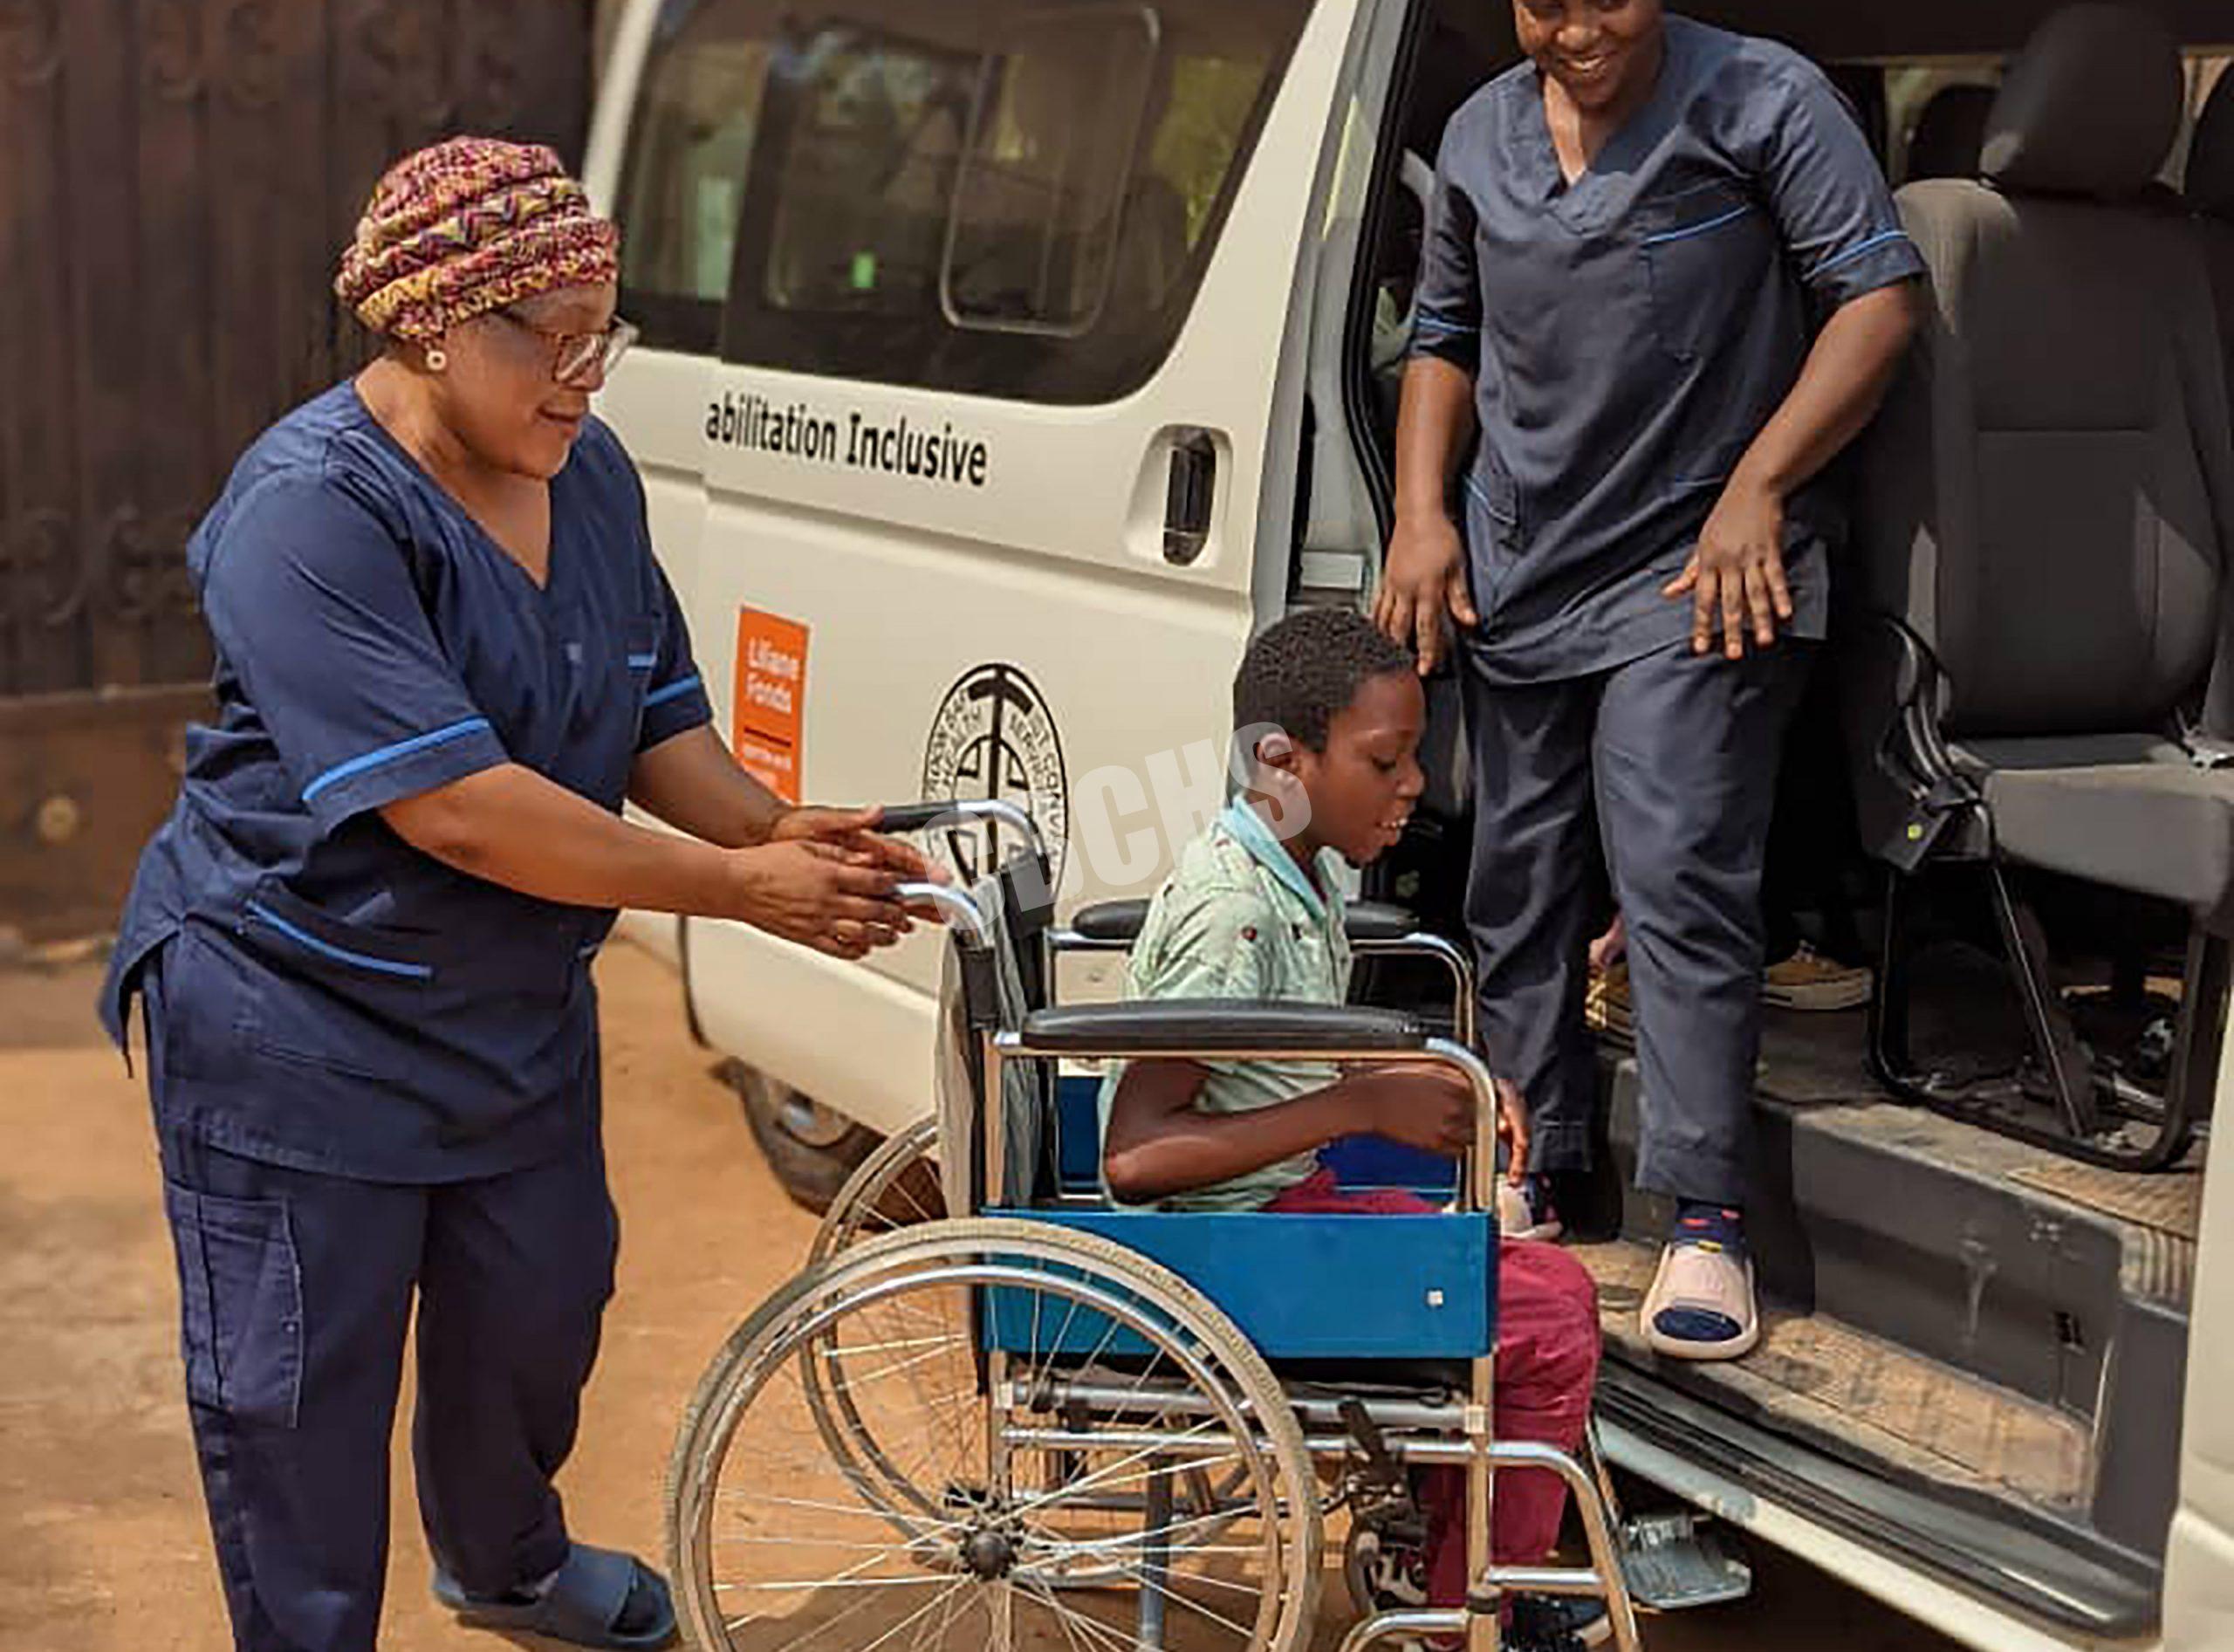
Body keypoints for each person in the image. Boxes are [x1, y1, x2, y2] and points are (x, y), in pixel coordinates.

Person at [96, 137, 937, 1652]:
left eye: (598, 335)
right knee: (297, 1386)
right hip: (297, 1011)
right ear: (428, 323)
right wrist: (739, 888)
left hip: (504, 1010)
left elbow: (650, 706)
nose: (582, 376)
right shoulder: (311, 512)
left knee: (539, 1306)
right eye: (545, 341)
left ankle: (505, 1559)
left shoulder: (586, 472)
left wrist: (775, 824)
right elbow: (464, 812)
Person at [1376, 0, 1925, 1360]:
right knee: (1519, 876)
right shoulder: (1480, 134)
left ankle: (1706, 1217)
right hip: (1521, 562)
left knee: (1677, 868)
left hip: (1699, 565)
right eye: (1542, 3)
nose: (1575, 30)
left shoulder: (1762, 99)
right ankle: (1539, 1160)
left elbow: (1878, 298)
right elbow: (1442, 334)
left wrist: (1761, 488)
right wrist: (1420, 514)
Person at [1099, 607, 1606, 1652]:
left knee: (1489, 1249)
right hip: (1229, 1251)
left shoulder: (1301, 873)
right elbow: (1138, 1153)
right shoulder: (1230, 915)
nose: (1413, 783)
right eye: (1386, 759)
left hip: (1283, 1210)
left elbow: (1271, 1051)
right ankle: (1475, 1608)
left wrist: (1423, 1074)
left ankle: (1445, 1566)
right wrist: (1361, 1106)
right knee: (1551, 1314)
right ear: (1283, 760)